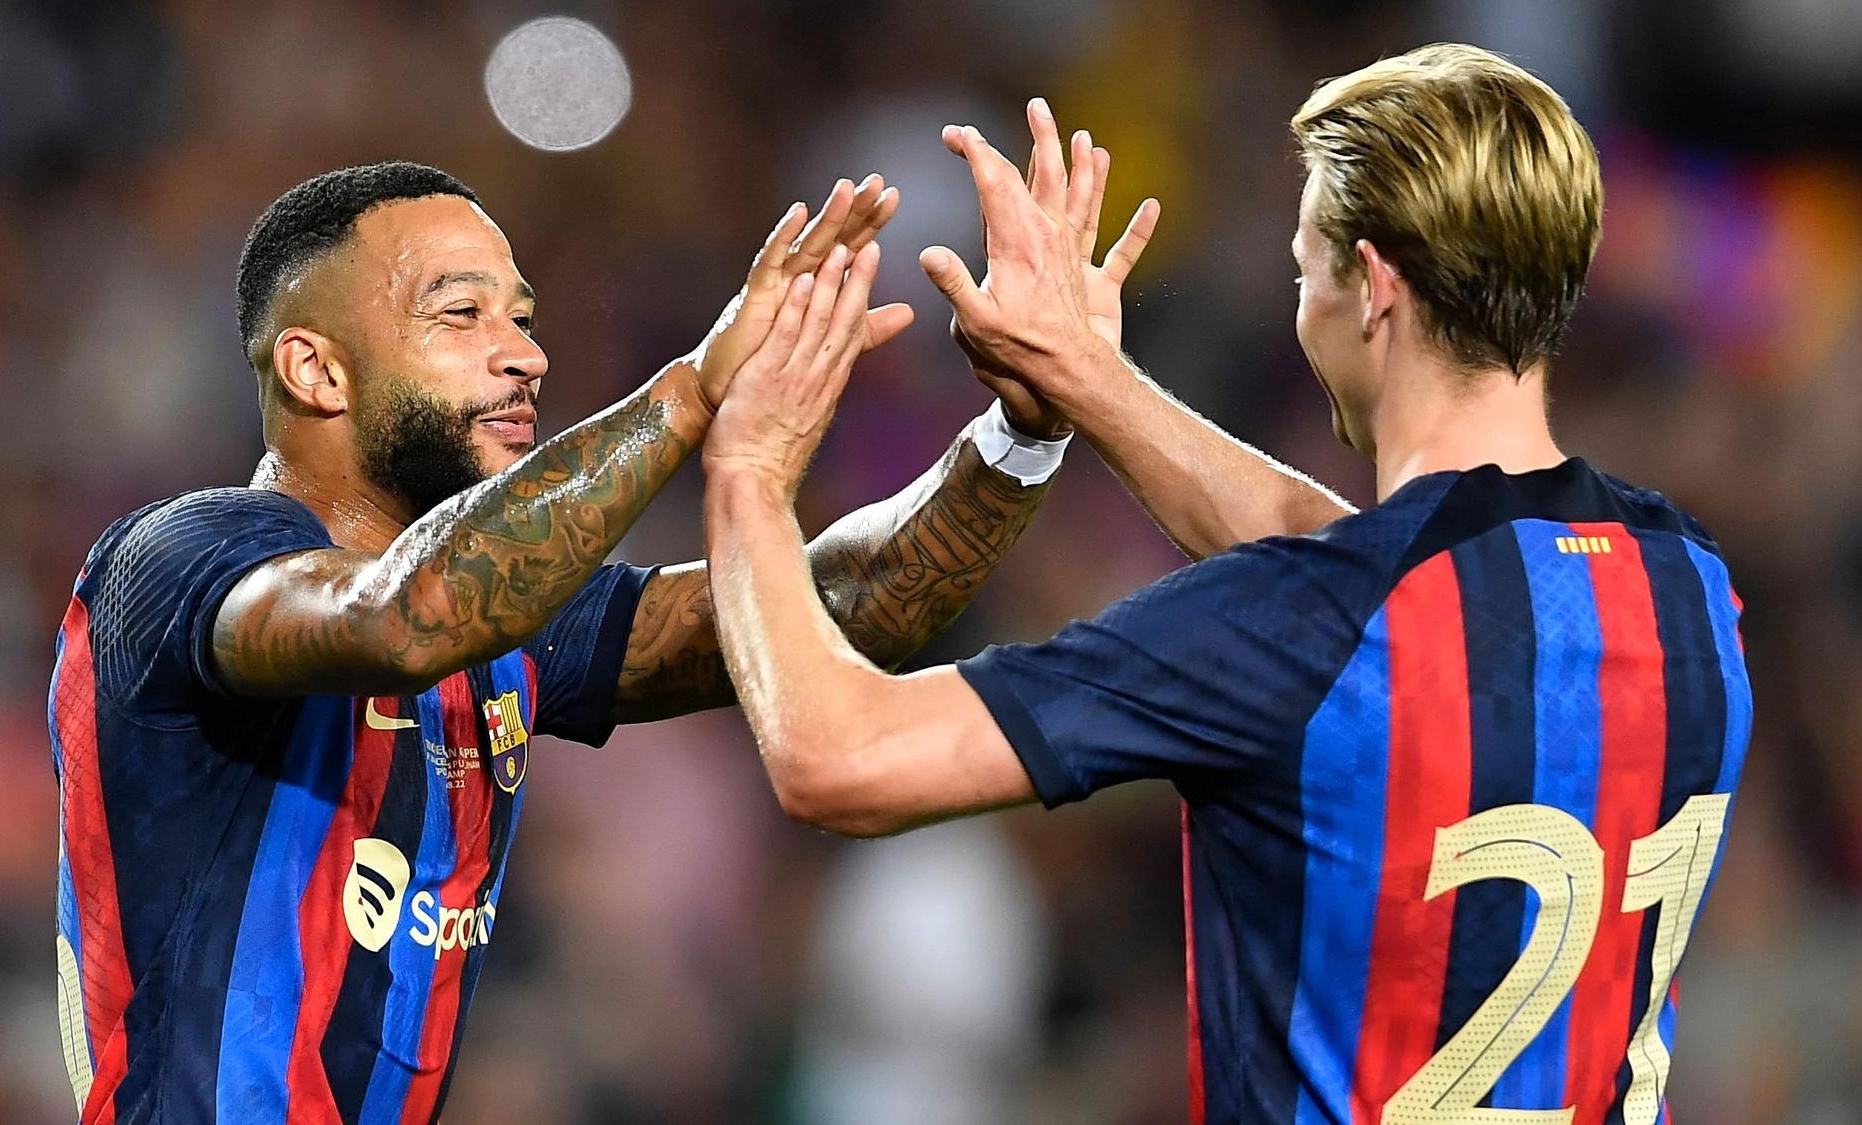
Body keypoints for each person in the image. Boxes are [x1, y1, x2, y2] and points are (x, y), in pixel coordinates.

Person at [703, 48, 1752, 1124]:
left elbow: (835, 754)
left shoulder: (1306, 626)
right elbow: (1368, 576)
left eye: (1307, 273)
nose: (1302, 310)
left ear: (1374, 286)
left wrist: (745, 468)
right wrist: (1084, 377)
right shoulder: (1690, 588)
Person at [48, 160, 1098, 1123]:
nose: (526, 354)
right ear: (316, 371)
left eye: (522, 316)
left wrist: (1022, 434)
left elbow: (842, 603)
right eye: (460, 314)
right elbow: (405, 617)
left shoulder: (510, 624)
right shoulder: (183, 558)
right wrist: (690, 392)